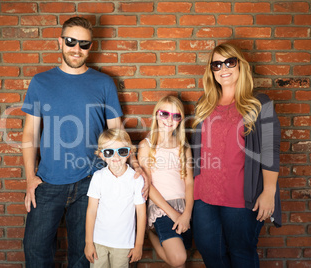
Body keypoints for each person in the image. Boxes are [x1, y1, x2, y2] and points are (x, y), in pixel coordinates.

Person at [21, 17, 126, 267]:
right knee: (35, 250)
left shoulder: (103, 83)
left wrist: (127, 172)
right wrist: (29, 178)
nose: (76, 49)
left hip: (91, 181)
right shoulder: (40, 82)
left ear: (91, 46)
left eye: (83, 44)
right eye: (70, 41)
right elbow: (29, 134)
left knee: (83, 254)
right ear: (60, 41)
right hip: (47, 181)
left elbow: (117, 132)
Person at [191, 43, 282, 268]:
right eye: (217, 64)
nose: (224, 68)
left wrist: (269, 191)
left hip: (241, 199)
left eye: (230, 62)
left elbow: (271, 149)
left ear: (241, 65)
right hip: (204, 195)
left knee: (242, 254)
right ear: (211, 71)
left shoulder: (261, 103)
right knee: (210, 252)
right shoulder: (204, 104)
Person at [138, 96, 194, 268]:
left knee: (181, 259)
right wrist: (172, 213)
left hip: (185, 206)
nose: (169, 120)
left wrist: (187, 214)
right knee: (178, 258)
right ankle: (152, 236)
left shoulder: (183, 146)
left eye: (176, 116)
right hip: (162, 208)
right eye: (164, 114)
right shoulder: (146, 145)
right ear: (156, 115)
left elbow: (189, 182)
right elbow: (148, 185)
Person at [84, 129, 146, 267]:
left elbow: (141, 213)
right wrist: (89, 243)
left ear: (129, 152)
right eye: (109, 152)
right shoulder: (98, 177)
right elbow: (91, 210)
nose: (116, 156)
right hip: (98, 241)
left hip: (123, 244)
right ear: (102, 155)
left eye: (122, 151)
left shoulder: (136, 179)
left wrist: (139, 244)